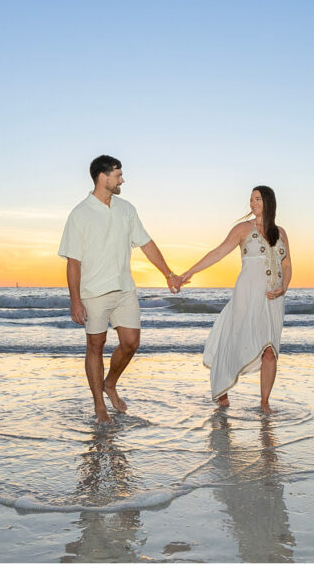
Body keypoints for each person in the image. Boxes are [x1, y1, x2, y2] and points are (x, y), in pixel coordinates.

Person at [59, 155, 184, 423]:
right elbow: (73, 261)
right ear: (103, 177)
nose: (122, 180)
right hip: (93, 292)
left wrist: (168, 274)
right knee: (96, 345)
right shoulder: (80, 214)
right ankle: (99, 406)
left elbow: (147, 243)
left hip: (124, 289)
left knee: (131, 343)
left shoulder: (127, 209)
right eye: (118, 175)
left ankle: (110, 383)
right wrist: (75, 301)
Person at [179, 186, 291, 413]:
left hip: (274, 299)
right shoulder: (242, 229)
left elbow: (287, 265)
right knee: (234, 340)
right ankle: (222, 389)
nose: (252, 203)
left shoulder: (281, 232)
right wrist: (188, 273)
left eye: (257, 199)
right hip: (247, 295)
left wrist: (283, 287)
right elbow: (218, 252)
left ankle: (264, 403)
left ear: (269, 201)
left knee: (270, 350)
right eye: (251, 199)